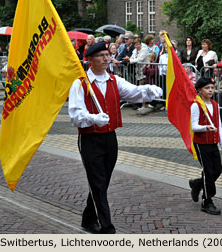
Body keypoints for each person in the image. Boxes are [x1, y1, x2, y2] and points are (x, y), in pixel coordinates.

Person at [68, 42, 162, 234]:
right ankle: (106, 225)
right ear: (90, 60)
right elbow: (75, 115)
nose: (105, 59)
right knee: (97, 181)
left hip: (110, 138)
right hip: (90, 138)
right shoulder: (80, 83)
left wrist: (150, 90)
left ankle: (88, 218)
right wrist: (92, 118)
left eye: (107, 55)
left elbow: (133, 92)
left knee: (103, 182)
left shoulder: (114, 80)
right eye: (101, 56)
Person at [189, 77, 222, 215]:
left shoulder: (215, 105)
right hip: (201, 143)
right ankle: (207, 201)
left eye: (212, 87)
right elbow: (194, 126)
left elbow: (219, 127)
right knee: (208, 171)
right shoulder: (196, 105)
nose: (210, 90)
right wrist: (206, 127)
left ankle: (198, 184)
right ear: (200, 90)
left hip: (213, 143)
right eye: (207, 88)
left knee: (217, 170)